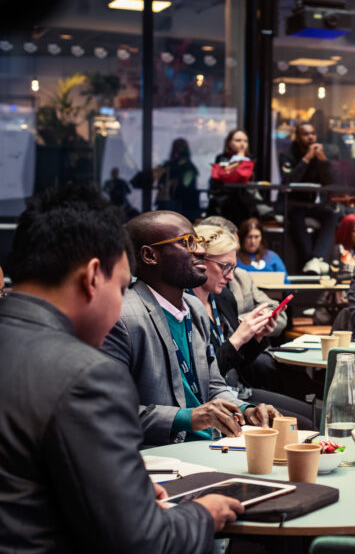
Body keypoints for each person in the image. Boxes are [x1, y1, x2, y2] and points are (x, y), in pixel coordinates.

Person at [0, 185, 241, 551]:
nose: (123, 301)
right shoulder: (84, 375)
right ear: (94, 276)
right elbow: (142, 540)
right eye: (123, 285)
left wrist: (125, 489)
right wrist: (204, 514)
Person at [101, 210, 278, 446]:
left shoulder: (194, 308)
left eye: (199, 242)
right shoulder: (122, 317)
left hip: (211, 446)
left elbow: (214, 386)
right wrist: (187, 418)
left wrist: (245, 409)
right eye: (188, 242)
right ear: (150, 255)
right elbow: (111, 413)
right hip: (162, 456)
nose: (201, 251)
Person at [191, 225, 315, 428]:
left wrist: (256, 338)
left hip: (238, 391)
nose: (230, 276)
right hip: (211, 402)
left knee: (312, 419)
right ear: (200, 262)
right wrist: (237, 339)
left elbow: (240, 365)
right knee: (301, 425)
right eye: (225, 266)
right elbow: (204, 378)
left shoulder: (222, 298)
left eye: (233, 267)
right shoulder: (184, 308)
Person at [198, 216, 288, 337]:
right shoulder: (188, 297)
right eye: (228, 249)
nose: (231, 275)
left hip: (250, 349)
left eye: (236, 250)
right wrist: (241, 324)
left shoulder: (242, 277)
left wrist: (246, 323)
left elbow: (280, 315)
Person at [280, 121, 338, 274]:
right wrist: (306, 159)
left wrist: (323, 161)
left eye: (313, 133)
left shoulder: (319, 156)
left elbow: (330, 182)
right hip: (293, 203)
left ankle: (316, 258)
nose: (310, 137)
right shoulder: (287, 155)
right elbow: (288, 180)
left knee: (331, 215)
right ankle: (310, 260)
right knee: (296, 216)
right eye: (306, 134)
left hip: (312, 204)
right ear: (298, 137)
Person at [208, 129, 261, 224]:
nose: (242, 144)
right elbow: (231, 177)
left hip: (244, 205)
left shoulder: (250, 160)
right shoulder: (221, 158)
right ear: (229, 143)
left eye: (245, 141)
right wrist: (240, 160)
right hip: (224, 205)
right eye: (238, 140)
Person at [156, 137, 201, 221]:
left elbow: (186, 186)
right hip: (172, 202)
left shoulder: (188, 168)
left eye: (181, 147)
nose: (179, 150)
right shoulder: (170, 166)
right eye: (177, 147)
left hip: (183, 205)